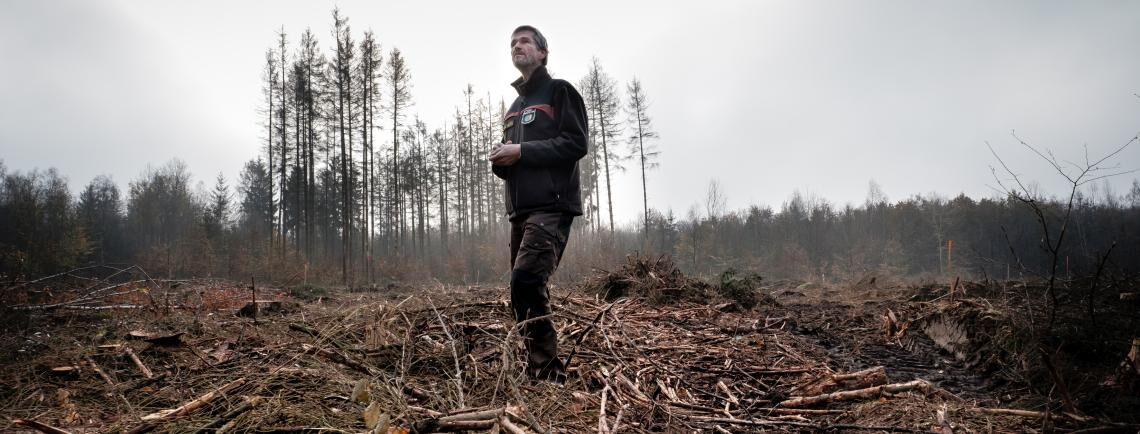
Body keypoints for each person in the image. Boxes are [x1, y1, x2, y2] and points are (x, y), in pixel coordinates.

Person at [488, 25, 588, 382]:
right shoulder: (514, 108)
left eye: (525, 41)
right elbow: (515, 162)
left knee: (526, 281)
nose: (517, 46)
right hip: (520, 212)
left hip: (552, 205)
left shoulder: (559, 92)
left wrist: (522, 151)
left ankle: (548, 373)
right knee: (524, 288)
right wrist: (502, 160)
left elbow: (576, 144)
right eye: (512, 42)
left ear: (543, 53)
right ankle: (538, 366)